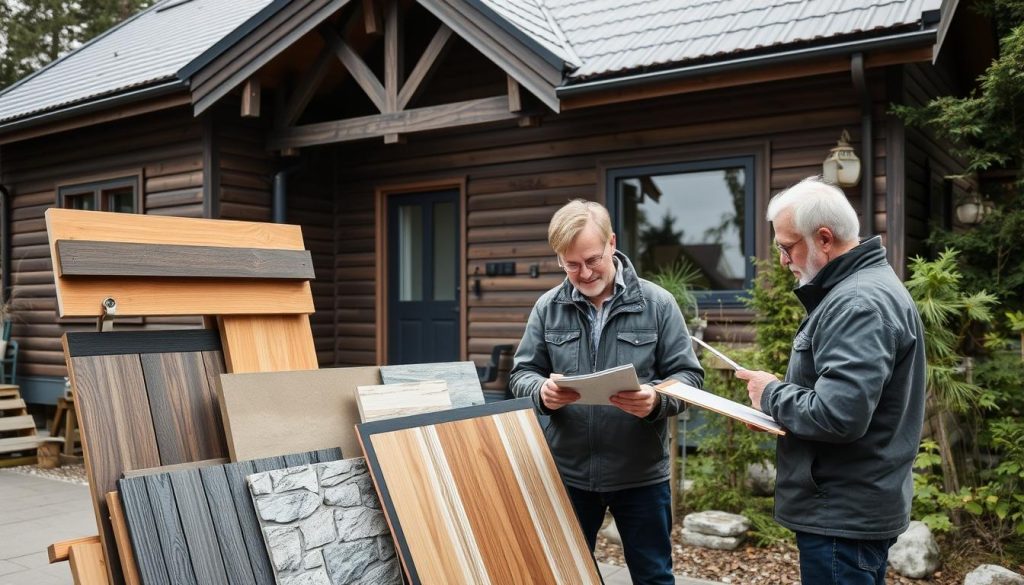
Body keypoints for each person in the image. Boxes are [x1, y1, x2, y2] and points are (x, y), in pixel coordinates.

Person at [735, 177, 926, 585]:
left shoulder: (856, 303)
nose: (784, 259)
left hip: (842, 515)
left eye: (787, 247)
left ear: (824, 238)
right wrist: (780, 413)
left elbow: (839, 415)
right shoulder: (864, 289)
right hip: (852, 508)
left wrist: (770, 393)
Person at [509, 199, 704, 585]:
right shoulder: (548, 308)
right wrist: (541, 392)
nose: (583, 273)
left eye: (592, 260)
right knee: (563, 576)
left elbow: (690, 379)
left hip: (640, 475)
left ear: (612, 243)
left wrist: (656, 400)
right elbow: (521, 374)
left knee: (653, 577)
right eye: (571, 264)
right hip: (567, 473)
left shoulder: (657, 304)